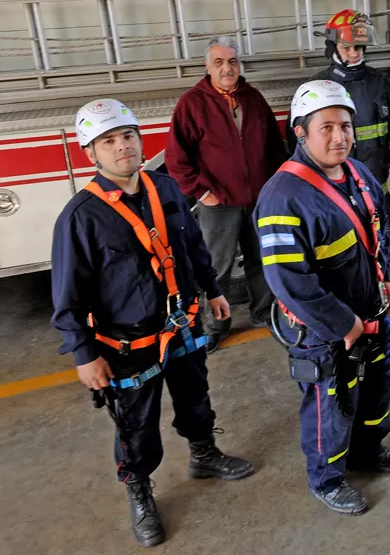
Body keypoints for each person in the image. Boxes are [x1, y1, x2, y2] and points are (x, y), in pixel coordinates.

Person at [51, 99, 254, 547]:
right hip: (127, 344)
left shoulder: (165, 190)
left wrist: (214, 289)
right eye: (109, 141)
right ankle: (139, 490)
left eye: (128, 136)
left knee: (196, 397)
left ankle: (203, 454)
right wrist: (85, 356)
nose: (123, 146)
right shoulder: (81, 218)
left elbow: (193, 248)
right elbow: (67, 297)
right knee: (136, 425)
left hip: (181, 327)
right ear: (91, 152)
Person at [255, 80, 390, 516]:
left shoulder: (359, 175)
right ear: (300, 133)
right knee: (332, 403)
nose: (340, 136)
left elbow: (381, 233)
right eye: (326, 127)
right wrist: (345, 326)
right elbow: (291, 281)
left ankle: (368, 450)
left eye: (345, 125)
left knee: (377, 388)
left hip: (371, 315)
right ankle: (326, 478)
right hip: (324, 331)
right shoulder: (283, 197)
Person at [165, 36, 287, 351]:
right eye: (218, 62)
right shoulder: (192, 104)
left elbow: (275, 148)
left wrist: (274, 187)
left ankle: (264, 313)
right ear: (208, 68)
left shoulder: (253, 99)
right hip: (218, 204)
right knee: (216, 267)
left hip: (258, 200)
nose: (226, 68)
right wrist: (202, 193)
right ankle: (216, 325)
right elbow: (176, 161)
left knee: (262, 260)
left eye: (232, 61)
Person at [313, 9, 390, 306]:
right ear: (333, 48)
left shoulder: (381, 85)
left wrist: (387, 159)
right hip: (333, 187)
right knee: (339, 241)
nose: (355, 53)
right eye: (348, 47)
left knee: (383, 235)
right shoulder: (319, 89)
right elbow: (301, 137)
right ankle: (344, 295)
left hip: (374, 181)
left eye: (359, 47)